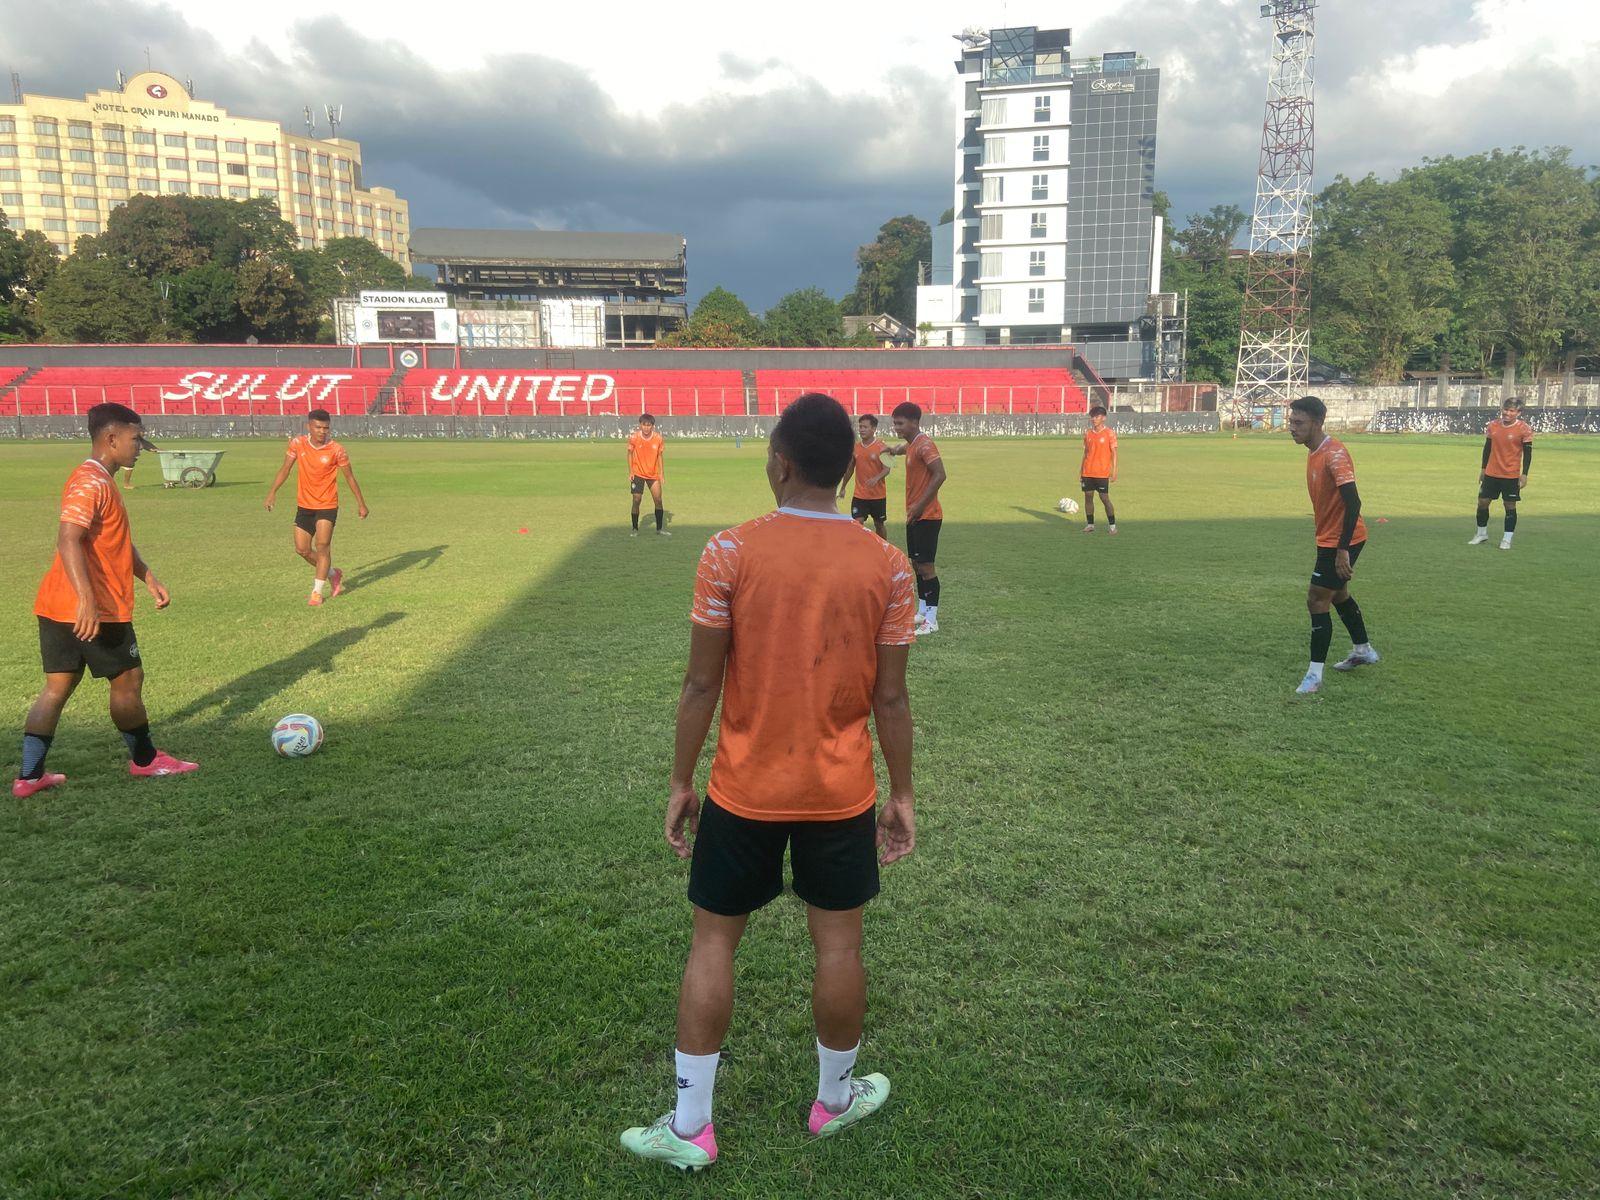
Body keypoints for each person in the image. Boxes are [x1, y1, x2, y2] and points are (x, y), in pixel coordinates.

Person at [620, 393, 917, 1173]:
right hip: (841, 791)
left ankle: (691, 1129)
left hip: (742, 790)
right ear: (849, 468)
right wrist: (904, 794)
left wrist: (681, 780)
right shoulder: (886, 563)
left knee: (713, 944)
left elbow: (699, 685)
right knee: (840, 947)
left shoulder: (729, 551)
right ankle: (835, 1101)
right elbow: (892, 696)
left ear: (781, 463)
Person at [14, 403, 198, 797]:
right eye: (135, 438)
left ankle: (29, 777)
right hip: (96, 608)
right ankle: (146, 761)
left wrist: (148, 576)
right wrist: (86, 600)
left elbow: (112, 543)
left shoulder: (100, 481)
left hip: (55, 606)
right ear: (111, 438)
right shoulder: (91, 481)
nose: (140, 447)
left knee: (56, 688)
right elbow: (68, 538)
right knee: (129, 680)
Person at [1288, 395, 1379, 695]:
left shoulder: (1334, 453)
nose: (1292, 427)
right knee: (1338, 594)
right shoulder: (1313, 452)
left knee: (1316, 599)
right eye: (1292, 421)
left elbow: (1354, 503)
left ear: (1318, 422)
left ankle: (1314, 676)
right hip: (1332, 537)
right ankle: (1363, 649)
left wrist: (1342, 550)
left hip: (1343, 538)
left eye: (1299, 422)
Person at [264, 408, 369, 607]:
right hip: (304, 505)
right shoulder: (297, 443)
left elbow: (349, 477)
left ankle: (316, 592)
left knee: (322, 547)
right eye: (318, 427)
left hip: (327, 505)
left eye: (326, 428)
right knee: (302, 549)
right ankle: (332, 573)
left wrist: (361, 504)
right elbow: (285, 468)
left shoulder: (337, 450)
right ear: (309, 427)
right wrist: (272, 492)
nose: (322, 431)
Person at [884, 402, 947, 635]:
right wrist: (892, 449)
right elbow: (902, 449)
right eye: (894, 423)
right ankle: (922, 610)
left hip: (927, 516)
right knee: (916, 565)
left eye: (900, 423)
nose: (896, 427)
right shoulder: (912, 445)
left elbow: (940, 474)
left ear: (914, 422)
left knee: (927, 567)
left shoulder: (925, 445)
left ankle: (932, 618)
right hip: (914, 515)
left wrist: (920, 506)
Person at [1470, 397, 1534, 550]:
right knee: (1482, 502)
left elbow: (1528, 454)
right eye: (1505, 409)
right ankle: (1481, 533)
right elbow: (1487, 448)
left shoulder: (1524, 429)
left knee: (1509, 505)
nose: (1507, 413)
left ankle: (1506, 539)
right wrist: (1483, 469)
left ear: (1518, 412)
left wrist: (1524, 474)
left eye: (1511, 411)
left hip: (1510, 474)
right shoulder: (1493, 426)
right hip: (1492, 473)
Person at [837, 413, 893, 538]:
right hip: (859, 495)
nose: (861, 429)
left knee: (879, 524)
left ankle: (883, 547)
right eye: (860, 427)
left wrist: (876, 478)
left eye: (865, 427)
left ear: (873, 429)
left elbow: (887, 469)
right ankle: (861, 549)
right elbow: (850, 469)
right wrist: (843, 487)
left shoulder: (882, 447)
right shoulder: (856, 448)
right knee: (857, 523)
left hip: (877, 496)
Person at [628, 414, 670, 537]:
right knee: (636, 500)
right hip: (638, 473)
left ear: (652, 426)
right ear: (640, 425)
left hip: (653, 474)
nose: (646, 428)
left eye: (649, 425)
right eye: (644, 425)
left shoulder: (658, 438)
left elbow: (659, 456)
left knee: (658, 499)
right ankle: (635, 529)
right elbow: (629, 454)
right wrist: (631, 471)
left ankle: (659, 529)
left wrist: (661, 473)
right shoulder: (634, 437)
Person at [1079, 406, 1119, 534]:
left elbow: (1114, 453)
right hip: (1087, 471)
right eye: (1092, 416)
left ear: (1104, 418)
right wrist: (1081, 471)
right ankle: (1090, 524)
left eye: (1097, 416)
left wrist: (1114, 470)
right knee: (1088, 497)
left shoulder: (1109, 433)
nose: (1094, 419)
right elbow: (1086, 453)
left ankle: (1112, 526)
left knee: (1104, 498)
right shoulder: (1088, 434)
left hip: (1102, 473)